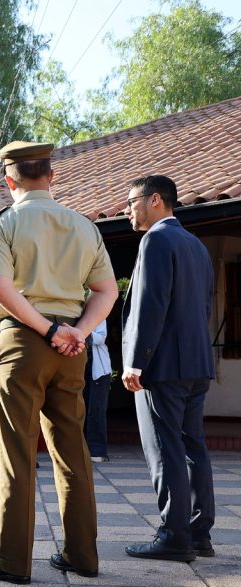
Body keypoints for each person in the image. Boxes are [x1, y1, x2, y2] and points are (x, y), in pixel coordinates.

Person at [0, 140, 117, 585]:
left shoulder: (4, 224)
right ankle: (82, 555)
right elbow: (107, 291)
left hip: (23, 343)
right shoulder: (83, 226)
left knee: (17, 453)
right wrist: (77, 331)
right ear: (52, 176)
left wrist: (48, 330)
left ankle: (13, 561)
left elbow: (0, 290)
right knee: (73, 451)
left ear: (8, 180)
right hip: (71, 350)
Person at [122, 175, 216, 562]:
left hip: (162, 366)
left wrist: (135, 362)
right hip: (196, 363)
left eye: (132, 201)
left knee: (165, 448)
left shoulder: (156, 240)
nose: (127, 209)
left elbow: (150, 305)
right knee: (193, 445)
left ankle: (174, 535)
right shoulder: (196, 245)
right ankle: (198, 532)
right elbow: (204, 309)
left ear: (156, 200)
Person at [84, 318, 112, 464]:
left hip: (98, 369)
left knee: (96, 409)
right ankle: (80, 450)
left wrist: (78, 333)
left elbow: (101, 336)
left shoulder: (99, 309)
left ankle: (97, 451)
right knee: (77, 409)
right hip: (76, 364)